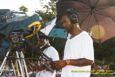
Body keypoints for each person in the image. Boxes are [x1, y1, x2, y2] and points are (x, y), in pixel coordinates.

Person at [50, 8, 94, 77]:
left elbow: (89, 61)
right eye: (62, 23)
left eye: (65, 21)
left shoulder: (85, 37)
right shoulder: (68, 39)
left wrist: (66, 62)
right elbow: (68, 61)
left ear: (73, 20)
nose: (63, 25)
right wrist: (59, 64)